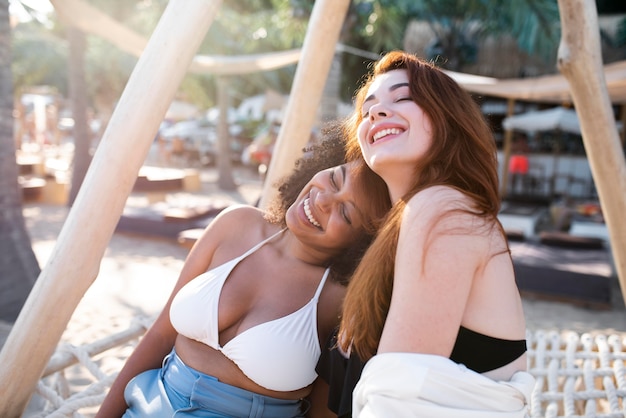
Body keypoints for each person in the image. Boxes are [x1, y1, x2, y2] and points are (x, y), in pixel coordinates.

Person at [96, 127, 391, 418]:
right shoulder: (235, 224)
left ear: (360, 243)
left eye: (345, 212)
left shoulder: (338, 300)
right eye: (334, 178)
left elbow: (322, 407)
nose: (324, 200)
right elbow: (160, 335)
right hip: (150, 405)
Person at [317, 51, 534, 417]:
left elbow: (398, 401)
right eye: (368, 107)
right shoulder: (398, 227)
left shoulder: (444, 209)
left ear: (448, 120)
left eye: (403, 98)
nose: (376, 112)